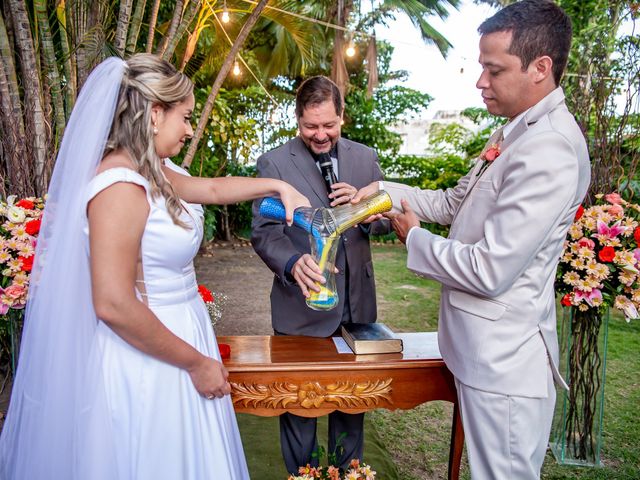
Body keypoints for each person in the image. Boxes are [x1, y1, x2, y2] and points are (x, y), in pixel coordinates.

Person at [0, 54, 309, 480]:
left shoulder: (154, 170)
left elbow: (214, 188)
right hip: (149, 349)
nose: (187, 128)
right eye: (184, 117)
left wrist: (280, 185)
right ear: (154, 113)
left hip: (182, 328)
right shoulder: (119, 187)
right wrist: (197, 363)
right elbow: (112, 303)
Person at [354, 1, 590, 478]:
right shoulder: (516, 133)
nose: (480, 81)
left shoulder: (550, 150)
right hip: (483, 354)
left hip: (504, 363)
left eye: (493, 69)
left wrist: (414, 239)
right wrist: (384, 191)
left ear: (540, 68)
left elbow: (489, 269)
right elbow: (455, 202)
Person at [250, 75, 389, 474]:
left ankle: (349, 473)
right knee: (299, 408)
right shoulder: (274, 163)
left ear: (342, 117)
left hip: (357, 308)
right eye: (311, 126)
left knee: (352, 406)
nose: (320, 134)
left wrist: (366, 215)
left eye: (328, 125)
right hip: (301, 309)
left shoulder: (365, 158)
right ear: (298, 121)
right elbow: (262, 231)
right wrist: (293, 264)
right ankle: (303, 476)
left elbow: (381, 222)